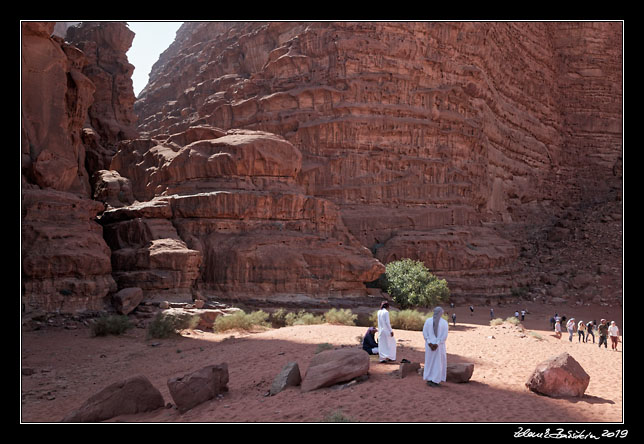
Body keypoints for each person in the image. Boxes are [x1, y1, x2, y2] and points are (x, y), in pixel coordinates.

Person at [423, 306, 449, 387]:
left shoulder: (428, 321)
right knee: (438, 363)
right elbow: (444, 336)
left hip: (430, 346)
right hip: (438, 347)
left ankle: (430, 378)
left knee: (430, 362)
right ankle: (435, 380)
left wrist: (429, 343)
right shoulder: (444, 323)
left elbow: (425, 333)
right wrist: (437, 344)